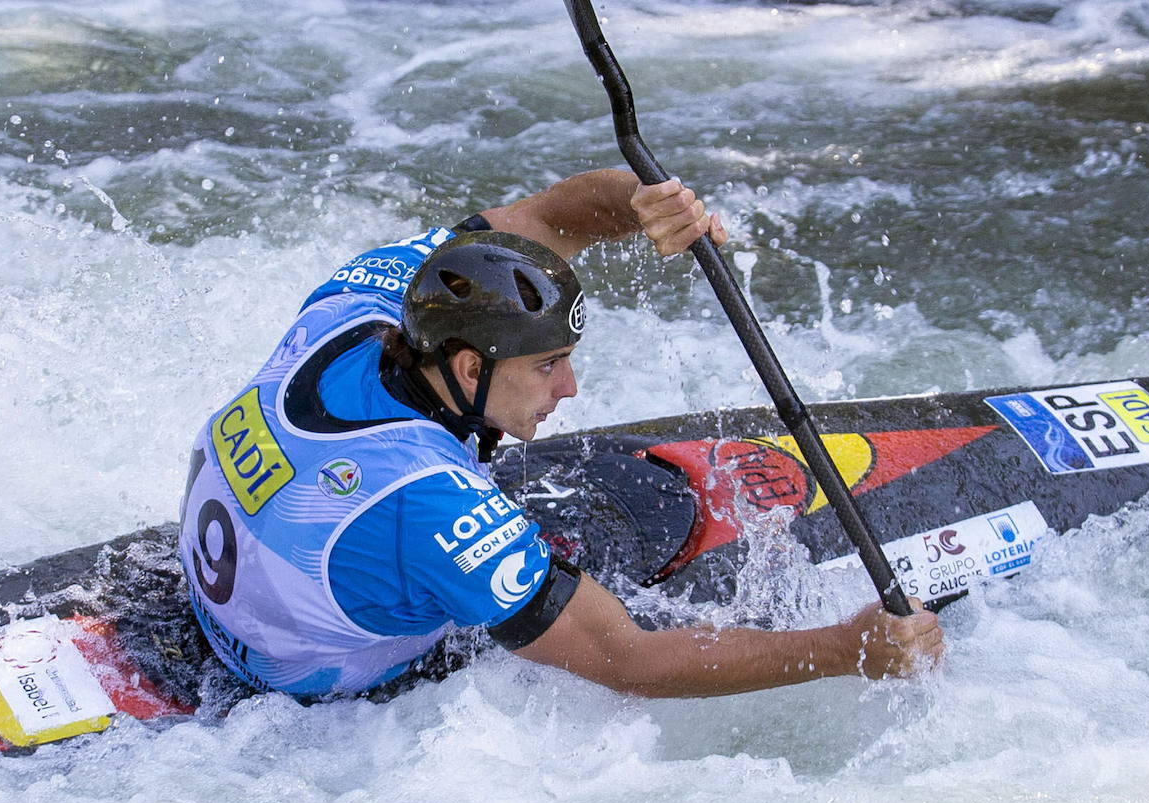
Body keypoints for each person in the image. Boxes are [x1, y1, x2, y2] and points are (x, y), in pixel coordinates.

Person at [178, 168, 944, 701]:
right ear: (472, 364)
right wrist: (846, 650)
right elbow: (628, 660)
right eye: (548, 365)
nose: (569, 389)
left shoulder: (367, 295)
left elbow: (546, 221)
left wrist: (642, 204)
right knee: (613, 544)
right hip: (310, 680)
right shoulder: (434, 506)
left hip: (249, 573)